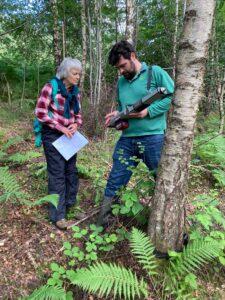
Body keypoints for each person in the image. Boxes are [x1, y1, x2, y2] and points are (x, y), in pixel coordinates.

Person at [97, 40, 174, 227]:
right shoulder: (121, 83)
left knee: (161, 180)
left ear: (132, 56)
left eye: (122, 65)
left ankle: (169, 226)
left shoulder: (155, 72)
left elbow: (171, 96)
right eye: (117, 68)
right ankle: (102, 224)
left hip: (153, 138)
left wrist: (147, 111)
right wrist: (117, 118)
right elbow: (122, 108)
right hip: (127, 139)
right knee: (115, 179)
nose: (120, 71)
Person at [35, 57, 83, 230]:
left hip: (69, 135)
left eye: (79, 73)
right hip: (52, 134)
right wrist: (60, 127)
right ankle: (58, 216)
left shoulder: (75, 91)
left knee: (71, 171)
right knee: (57, 173)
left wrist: (76, 124)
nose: (78, 77)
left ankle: (70, 205)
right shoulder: (51, 87)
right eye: (74, 73)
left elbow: (78, 114)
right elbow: (40, 112)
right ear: (65, 73)